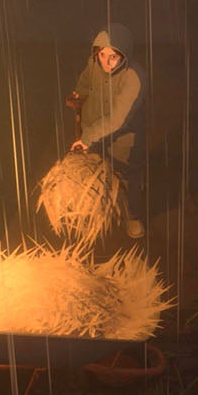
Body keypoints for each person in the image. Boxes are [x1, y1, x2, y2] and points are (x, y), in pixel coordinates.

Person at [66, 23, 147, 239]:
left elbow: (117, 119)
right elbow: (85, 80)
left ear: (125, 55)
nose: (107, 62)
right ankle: (98, 213)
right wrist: (78, 94)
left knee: (125, 176)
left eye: (114, 57)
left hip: (123, 138)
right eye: (103, 55)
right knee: (95, 172)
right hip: (92, 131)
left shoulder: (134, 77)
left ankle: (132, 215)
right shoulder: (94, 62)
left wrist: (87, 137)